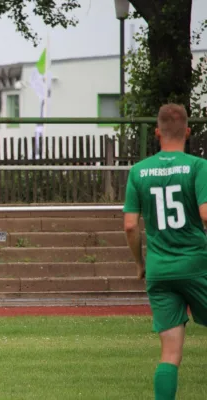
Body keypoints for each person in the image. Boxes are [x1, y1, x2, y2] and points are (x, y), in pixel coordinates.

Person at [123, 103, 207, 400]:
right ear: (188, 131)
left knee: (170, 354)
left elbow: (131, 225)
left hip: (159, 269)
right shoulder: (198, 167)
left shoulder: (139, 171)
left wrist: (139, 264)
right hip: (197, 266)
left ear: (157, 133)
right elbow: (206, 214)